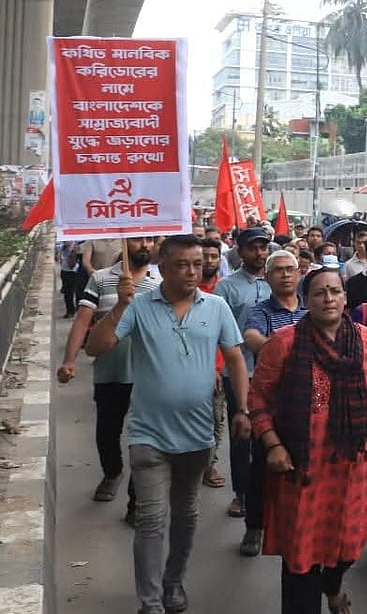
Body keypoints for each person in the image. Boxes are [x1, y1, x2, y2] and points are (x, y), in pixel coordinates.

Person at [85, 234, 251, 614]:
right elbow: (96, 347)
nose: (193, 271)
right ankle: (151, 600)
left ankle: (174, 581)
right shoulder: (139, 306)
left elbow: (236, 359)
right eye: (182, 264)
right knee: (150, 519)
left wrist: (243, 408)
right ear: (163, 268)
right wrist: (118, 309)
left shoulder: (217, 306)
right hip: (148, 434)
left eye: (197, 264)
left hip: (197, 435)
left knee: (187, 515)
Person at [249, 266, 367, 614]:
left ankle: (333, 585)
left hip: (352, 466)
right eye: (319, 293)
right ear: (306, 300)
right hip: (303, 469)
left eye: (335, 291)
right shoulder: (285, 343)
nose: (328, 299)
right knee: (301, 559)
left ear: (345, 298)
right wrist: (273, 444)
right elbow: (258, 399)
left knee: (351, 543)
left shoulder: (366, 341)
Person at [56, 238, 162, 523]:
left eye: (149, 239)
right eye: (138, 239)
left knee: (144, 441)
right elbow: (82, 320)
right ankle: (112, 472)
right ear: (125, 243)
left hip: (148, 377)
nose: (144, 245)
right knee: (107, 432)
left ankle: (136, 502)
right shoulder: (102, 280)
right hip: (110, 372)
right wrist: (69, 360)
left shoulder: (162, 281)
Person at [238, 249, 309, 557]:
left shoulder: (310, 310)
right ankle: (254, 526)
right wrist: (288, 352)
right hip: (271, 399)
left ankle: (303, 526)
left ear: (298, 273)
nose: (284, 274)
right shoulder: (260, 311)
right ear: (267, 277)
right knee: (261, 467)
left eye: (289, 269)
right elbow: (252, 337)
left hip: (308, 400)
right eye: (278, 270)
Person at [215, 227, 271, 520]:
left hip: (274, 373)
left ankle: (268, 492)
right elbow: (218, 332)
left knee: (272, 433)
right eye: (253, 248)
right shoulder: (227, 286)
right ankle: (242, 494)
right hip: (240, 371)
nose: (259, 253)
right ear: (240, 250)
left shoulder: (278, 281)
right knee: (242, 436)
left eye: (263, 247)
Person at [198, 238, 227, 490]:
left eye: (213, 256)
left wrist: (217, 369)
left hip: (222, 368)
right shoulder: (188, 291)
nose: (209, 261)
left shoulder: (223, 291)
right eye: (203, 256)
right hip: (191, 369)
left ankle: (208, 464)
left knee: (216, 421)